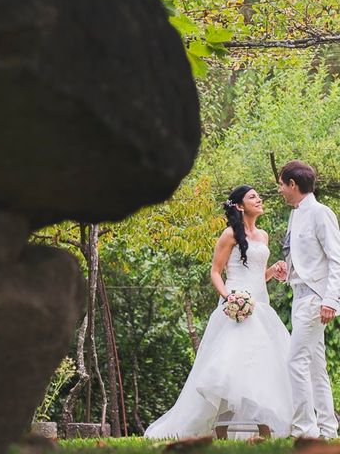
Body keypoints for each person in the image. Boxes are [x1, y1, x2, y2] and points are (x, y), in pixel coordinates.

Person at [145, 185, 292, 440]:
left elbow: (258, 275)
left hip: (261, 305)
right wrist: (229, 297)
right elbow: (215, 271)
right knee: (230, 366)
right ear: (238, 206)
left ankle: (265, 430)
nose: (259, 199)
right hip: (235, 306)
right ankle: (222, 429)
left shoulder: (264, 235)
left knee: (263, 365)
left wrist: (273, 272)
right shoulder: (229, 234)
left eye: (258, 196)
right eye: (252, 197)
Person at [276, 160, 339, 439]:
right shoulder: (295, 214)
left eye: (280, 184)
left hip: (315, 299)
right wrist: (285, 270)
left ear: (292, 184)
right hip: (298, 296)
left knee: (295, 360)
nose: (279, 190)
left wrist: (331, 300)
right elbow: (303, 257)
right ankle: (328, 429)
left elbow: (336, 259)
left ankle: (305, 431)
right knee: (314, 365)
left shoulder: (320, 212)